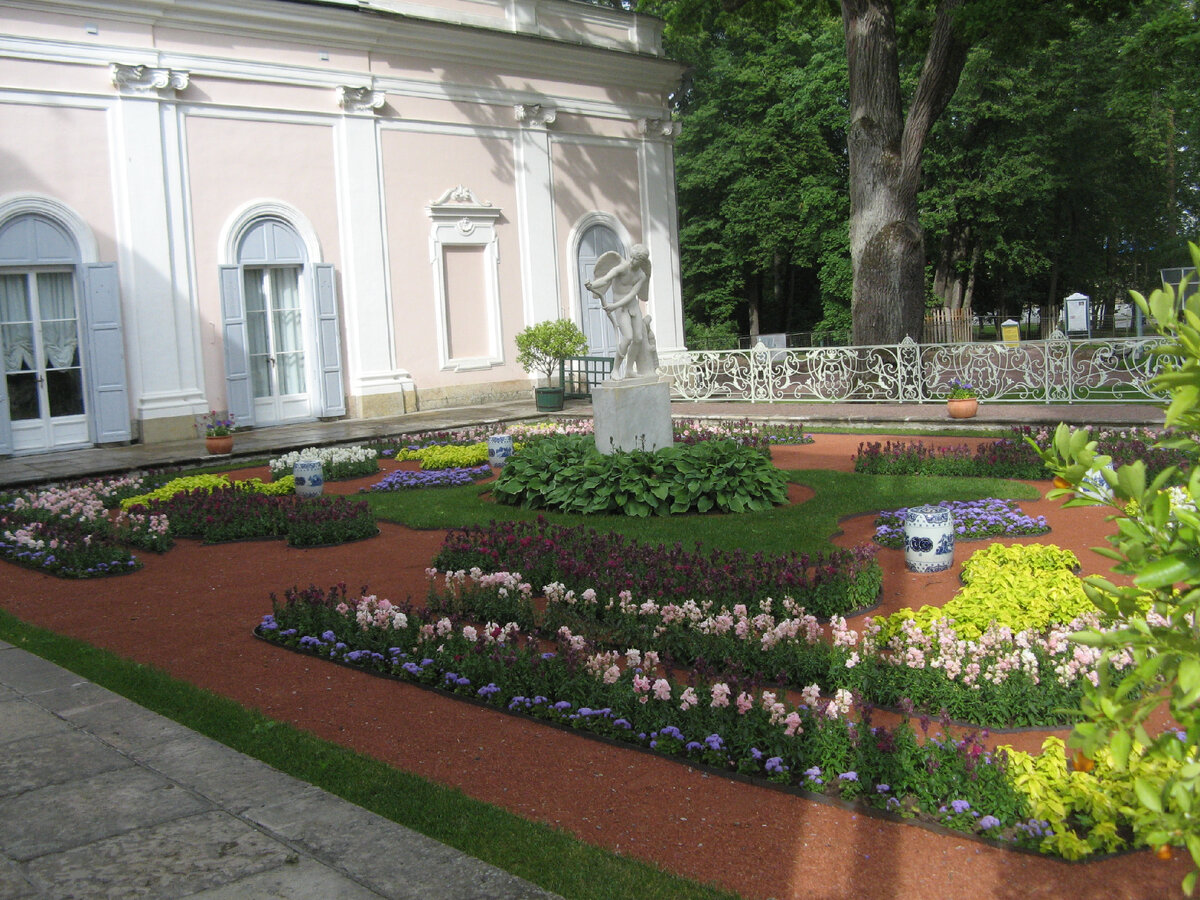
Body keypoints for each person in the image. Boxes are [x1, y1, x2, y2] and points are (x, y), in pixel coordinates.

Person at [585, 244, 657, 380]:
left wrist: (613, 305)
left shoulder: (641, 275)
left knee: (639, 338)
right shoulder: (621, 268)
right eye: (633, 258)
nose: (633, 261)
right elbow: (606, 279)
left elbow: (632, 294)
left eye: (637, 260)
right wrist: (592, 285)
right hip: (621, 309)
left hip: (632, 306)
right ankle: (615, 370)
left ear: (642, 262)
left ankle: (629, 370)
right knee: (628, 337)